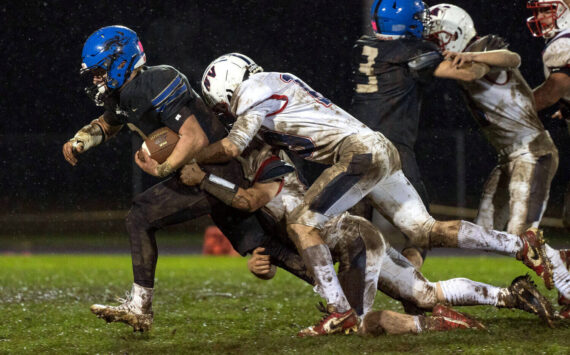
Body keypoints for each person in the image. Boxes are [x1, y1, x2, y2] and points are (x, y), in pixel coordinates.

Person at [194, 52, 568, 331]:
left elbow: (231, 147)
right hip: (379, 148)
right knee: (425, 230)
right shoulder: (276, 80)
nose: (226, 110)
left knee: (302, 224)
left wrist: (190, 159)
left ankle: (339, 312)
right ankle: (520, 245)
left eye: (222, 103)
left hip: (358, 154)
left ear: (228, 89)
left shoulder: (252, 92)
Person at [62, 26, 305, 332]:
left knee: (140, 215)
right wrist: (80, 140)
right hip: (209, 172)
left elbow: (196, 138)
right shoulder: (125, 94)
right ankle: (343, 297)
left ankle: (141, 308)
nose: (97, 79)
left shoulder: (157, 80)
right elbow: (107, 124)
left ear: (120, 61)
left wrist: (160, 170)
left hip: (216, 170)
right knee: (273, 248)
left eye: (100, 71)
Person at [181, 145, 555, 330]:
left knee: (357, 324)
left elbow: (250, 199)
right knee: (425, 293)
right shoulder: (246, 166)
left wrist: (205, 179)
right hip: (354, 242)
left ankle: (430, 324)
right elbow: (281, 245)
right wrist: (263, 265)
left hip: (353, 240)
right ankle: (509, 296)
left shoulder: (267, 157)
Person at [428, 2, 570, 320]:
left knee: (523, 237)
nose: (433, 46)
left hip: (532, 153)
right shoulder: (466, 55)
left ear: (450, 34)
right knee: (486, 232)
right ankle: (563, 259)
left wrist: (425, 65)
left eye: (435, 39)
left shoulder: (483, 48)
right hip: (509, 158)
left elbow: (506, 59)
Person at [350, 0, 442, 267]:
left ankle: (348, 297)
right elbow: (465, 73)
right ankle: (412, 287)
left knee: (354, 230)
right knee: (421, 229)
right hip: (394, 148)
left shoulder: (362, 46)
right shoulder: (413, 50)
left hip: (357, 145)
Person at [526, 0, 570, 318]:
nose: (540, 17)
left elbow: (555, 87)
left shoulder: (564, 43)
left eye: (547, 9)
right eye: (538, 10)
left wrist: (513, 107)